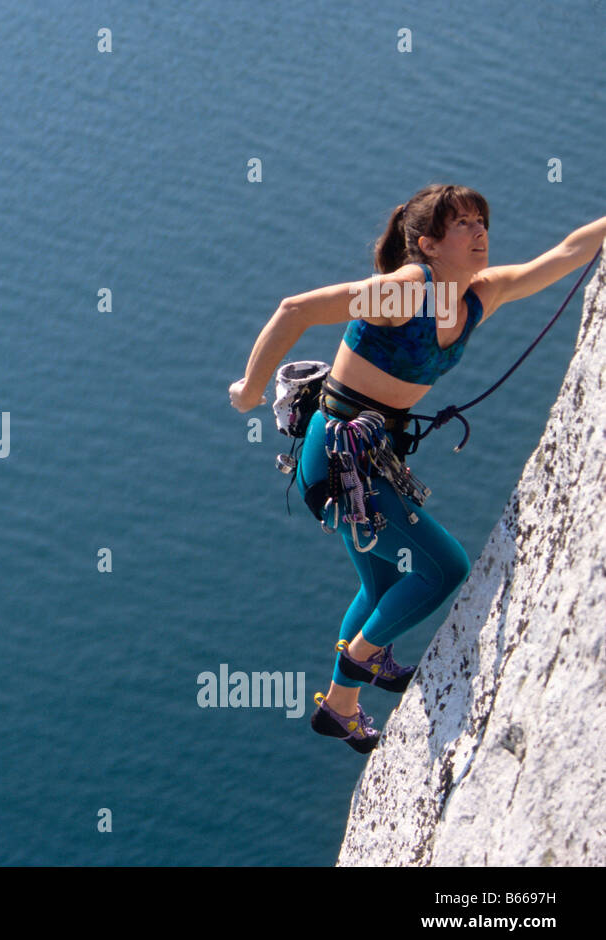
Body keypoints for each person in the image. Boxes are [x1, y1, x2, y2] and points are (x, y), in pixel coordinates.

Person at [229, 184, 606, 752]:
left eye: (482, 221)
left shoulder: (480, 294)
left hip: (366, 461)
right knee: (443, 569)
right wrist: (248, 391)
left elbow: (563, 256)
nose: (480, 231)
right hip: (340, 460)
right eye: (464, 225)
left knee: (383, 582)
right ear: (428, 245)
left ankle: (341, 703)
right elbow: (296, 310)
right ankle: (354, 676)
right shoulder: (408, 294)